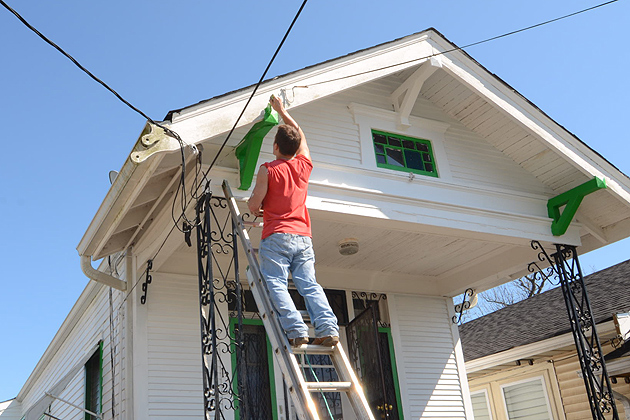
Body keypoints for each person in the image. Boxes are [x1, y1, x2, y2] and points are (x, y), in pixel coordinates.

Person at [247, 95, 339, 347]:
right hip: (303, 236)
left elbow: (255, 203)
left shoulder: (268, 169)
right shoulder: (304, 164)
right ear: (296, 147)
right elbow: (301, 135)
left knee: (276, 282)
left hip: (277, 235)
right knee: (309, 284)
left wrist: (255, 208)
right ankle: (328, 328)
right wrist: (283, 111)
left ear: (275, 146)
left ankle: (297, 330)